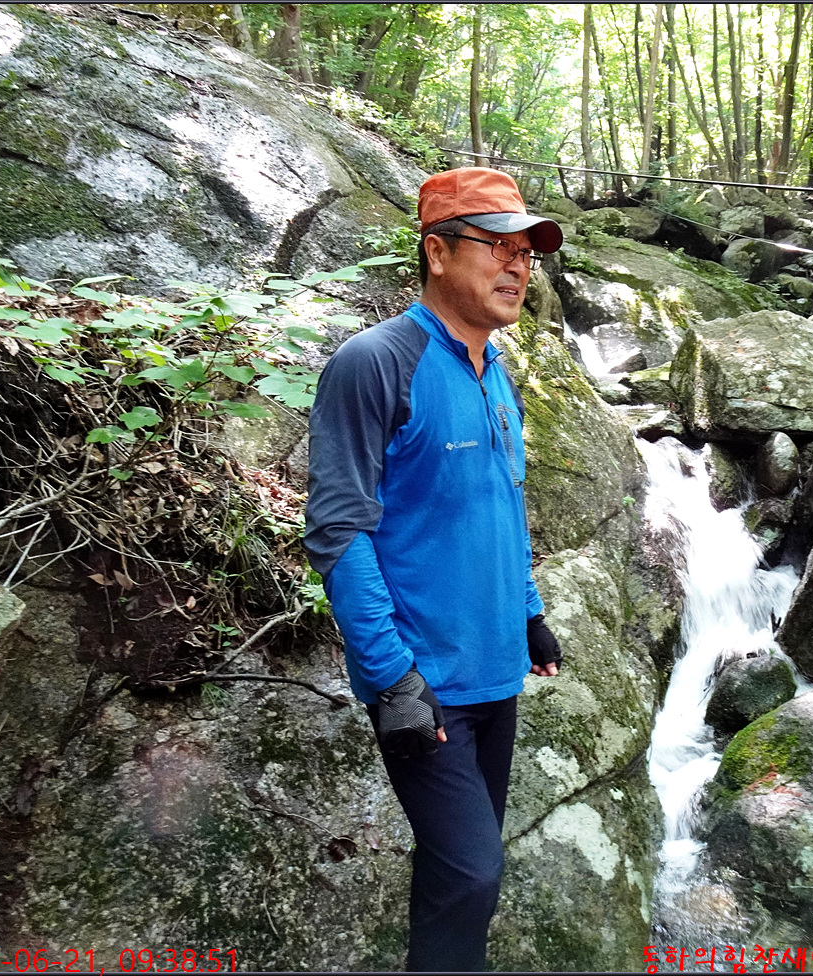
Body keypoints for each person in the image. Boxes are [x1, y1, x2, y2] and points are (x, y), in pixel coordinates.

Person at [303, 166, 565, 972]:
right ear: (438, 252)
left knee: (462, 877)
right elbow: (338, 531)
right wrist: (392, 681)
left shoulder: (497, 375)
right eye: (498, 247)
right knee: (474, 871)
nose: (518, 266)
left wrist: (529, 612)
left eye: (526, 253)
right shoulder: (376, 361)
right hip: (424, 683)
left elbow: (502, 505)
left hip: (495, 673)